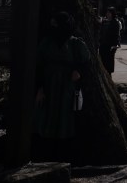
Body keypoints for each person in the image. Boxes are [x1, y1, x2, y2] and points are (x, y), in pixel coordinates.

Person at [33, 12, 90, 163]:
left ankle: (63, 155)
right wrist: (40, 88)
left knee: (65, 118)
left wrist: (78, 71)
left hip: (67, 86)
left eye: (56, 24)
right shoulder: (46, 42)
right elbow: (39, 66)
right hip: (49, 85)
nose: (54, 27)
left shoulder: (76, 44)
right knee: (47, 117)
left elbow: (86, 63)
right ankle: (46, 154)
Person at [99, 7, 122, 73]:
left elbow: (116, 34)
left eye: (109, 13)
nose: (107, 14)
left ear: (112, 13)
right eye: (107, 12)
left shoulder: (115, 22)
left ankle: (109, 74)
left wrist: (115, 44)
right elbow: (101, 32)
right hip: (103, 44)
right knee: (102, 60)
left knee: (109, 61)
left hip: (110, 45)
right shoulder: (104, 22)